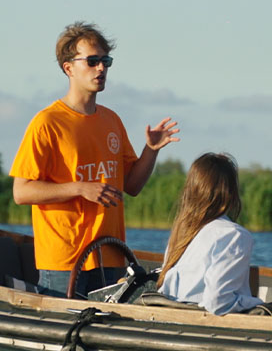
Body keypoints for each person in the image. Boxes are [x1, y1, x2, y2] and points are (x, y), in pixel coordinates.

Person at [11, 22, 179, 297]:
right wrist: (79, 187)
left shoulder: (112, 121)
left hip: (110, 257)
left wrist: (151, 150)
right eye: (92, 61)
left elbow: (132, 186)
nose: (101, 68)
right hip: (65, 262)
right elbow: (21, 191)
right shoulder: (47, 123)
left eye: (105, 61)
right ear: (69, 68)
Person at [157, 153, 265, 315]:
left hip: (173, 318)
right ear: (231, 193)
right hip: (203, 325)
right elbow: (218, 303)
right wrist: (258, 304)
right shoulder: (234, 235)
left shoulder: (181, 234)